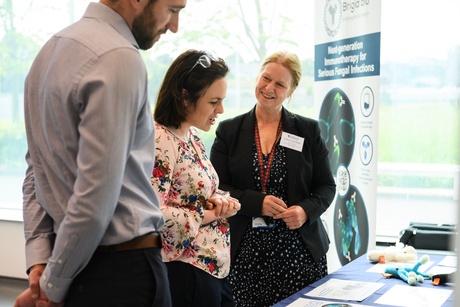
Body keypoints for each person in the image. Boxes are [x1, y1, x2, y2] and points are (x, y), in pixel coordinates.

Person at [15, 0, 187, 306]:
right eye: (173, 9)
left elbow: (35, 173)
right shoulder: (118, 57)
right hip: (124, 276)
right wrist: (52, 286)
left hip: (73, 265)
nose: (174, 26)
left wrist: (41, 262)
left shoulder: (48, 53)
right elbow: (96, 197)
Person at [210, 50, 337, 306]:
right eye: (266, 78)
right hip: (245, 255)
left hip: (299, 253)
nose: (269, 88)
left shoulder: (307, 130)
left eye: (280, 84)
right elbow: (217, 188)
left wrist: (304, 211)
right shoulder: (229, 131)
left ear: (291, 91)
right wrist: (258, 203)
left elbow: (326, 186)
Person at [151, 49, 241, 307]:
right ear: (184, 97)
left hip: (212, 269)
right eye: (214, 102)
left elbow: (191, 195)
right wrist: (210, 214)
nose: (221, 109)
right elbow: (152, 214)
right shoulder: (160, 141)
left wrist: (220, 201)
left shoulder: (191, 136)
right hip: (187, 272)